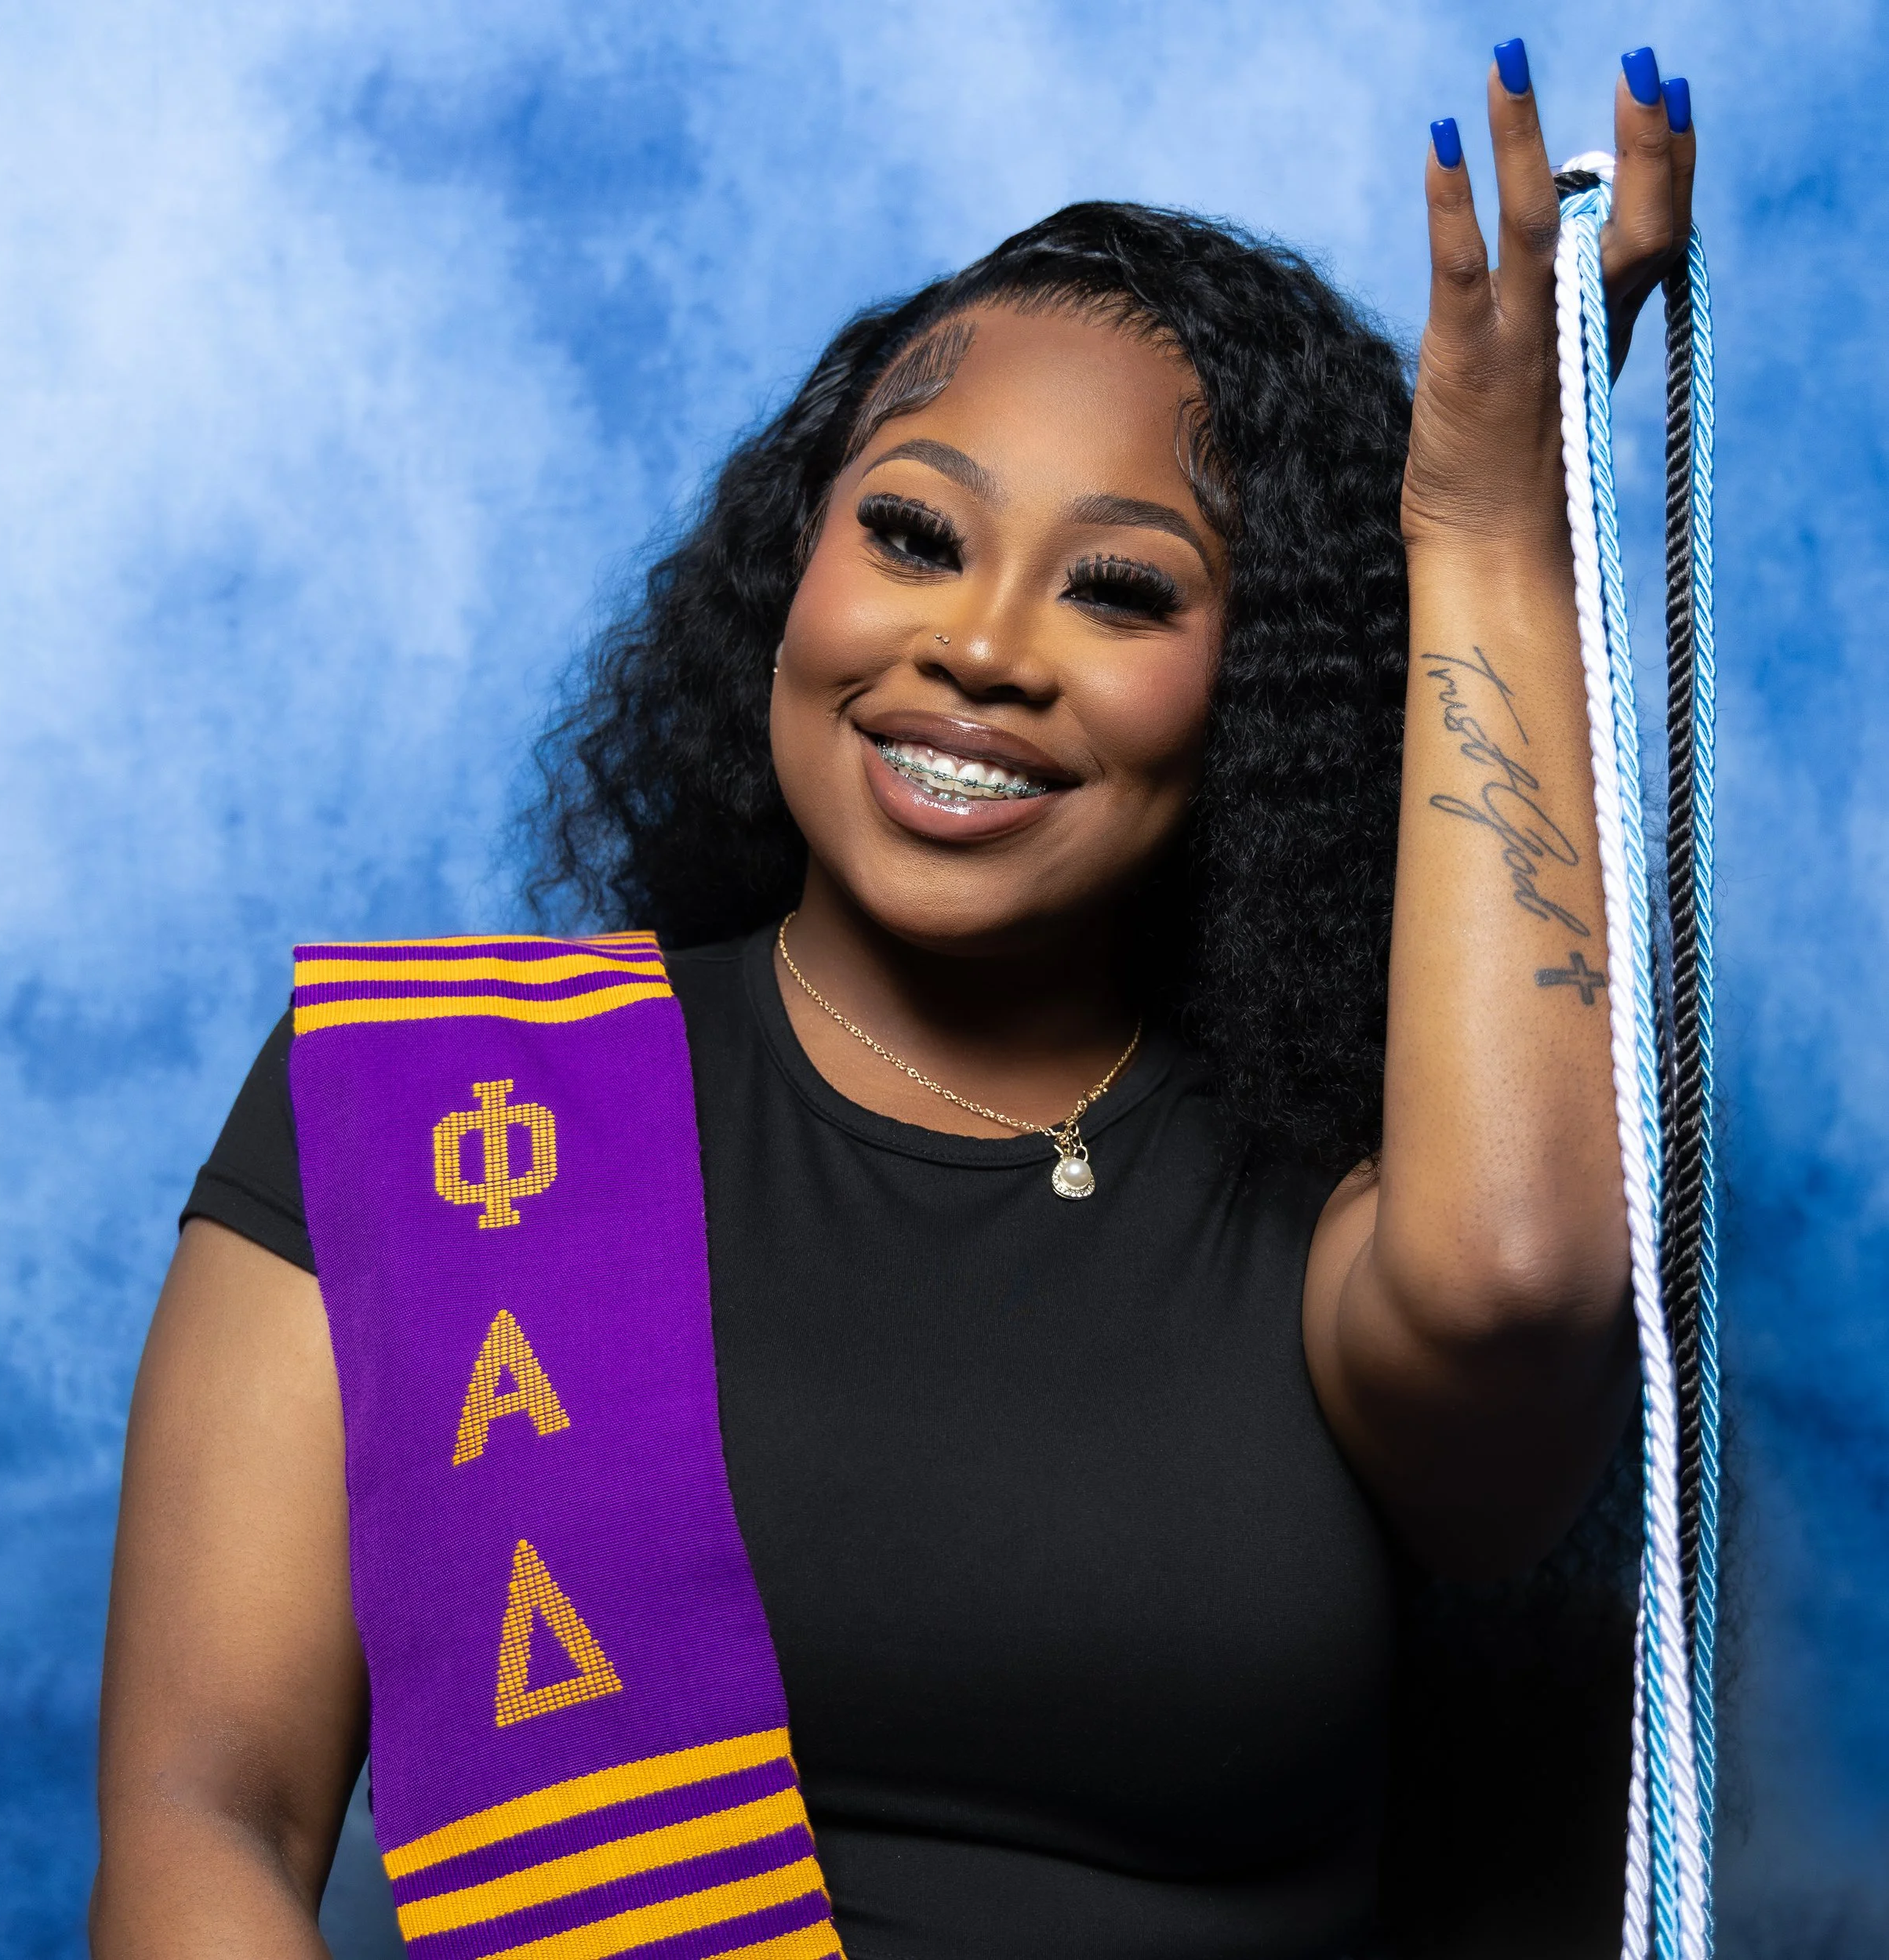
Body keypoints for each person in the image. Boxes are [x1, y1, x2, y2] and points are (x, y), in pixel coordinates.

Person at [93, 43, 1698, 1960]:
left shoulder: (1327, 1213)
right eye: (912, 534)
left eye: (1118, 592)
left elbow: (1522, 1282)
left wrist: (1487, 536)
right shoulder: (445, 1112)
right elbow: (212, 1818)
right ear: (793, 569)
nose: (979, 645)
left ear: (1265, 696)